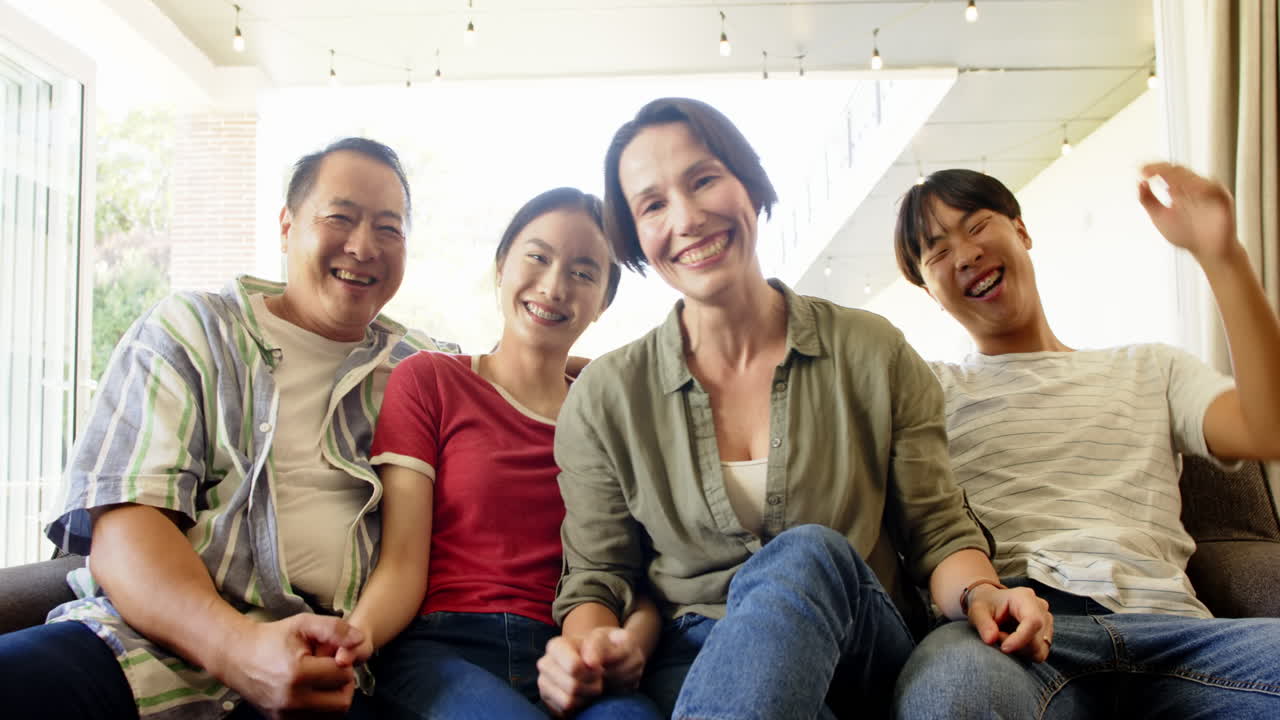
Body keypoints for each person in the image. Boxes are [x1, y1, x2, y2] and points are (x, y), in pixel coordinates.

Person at [542, 97, 1054, 720]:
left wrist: (980, 593)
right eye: (652, 204)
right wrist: (590, 644)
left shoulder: (872, 350)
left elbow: (938, 531)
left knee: (807, 553)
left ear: (748, 185)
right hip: (700, 664)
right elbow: (598, 576)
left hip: (861, 650)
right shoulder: (604, 397)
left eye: (704, 179)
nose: (687, 217)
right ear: (635, 235)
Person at [0, 137, 457, 719]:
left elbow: (516, 374)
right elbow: (126, 523)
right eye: (339, 217)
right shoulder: (191, 330)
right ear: (288, 227)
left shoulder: (420, 368)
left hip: (332, 673)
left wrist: (580, 372)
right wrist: (238, 649)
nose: (363, 246)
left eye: (389, 229)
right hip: (141, 648)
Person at [891, 164, 1280, 717]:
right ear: (931, 292)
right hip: (1015, 633)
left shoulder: (1150, 367)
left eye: (977, 227)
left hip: (1175, 634)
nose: (966, 254)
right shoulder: (927, 390)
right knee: (953, 696)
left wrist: (1222, 256)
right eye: (936, 253)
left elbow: (1266, 427)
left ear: (1021, 232)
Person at [332, 187, 660, 720]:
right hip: (443, 650)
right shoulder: (431, 381)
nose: (553, 286)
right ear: (500, 268)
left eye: (583, 272)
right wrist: (355, 640)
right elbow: (401, 562)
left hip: (570, 654)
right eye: (537, 257)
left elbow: (639, 580)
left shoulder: (611, 420)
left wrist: (626, 649)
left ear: (602, 303)